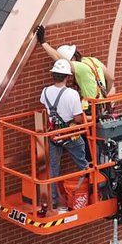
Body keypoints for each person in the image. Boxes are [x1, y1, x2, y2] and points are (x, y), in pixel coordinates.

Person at [41, 59, 91, 213]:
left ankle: (53, 201)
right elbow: (77, 119)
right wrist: (89, 118)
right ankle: (90, 192)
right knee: (84, 164)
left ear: (53, 75)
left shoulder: (45, 92)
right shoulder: (72, 94)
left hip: (54, 136)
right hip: (71, 135)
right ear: (67, 77)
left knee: (53, 170)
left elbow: (46, 110)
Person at [35, 25, 111, 114]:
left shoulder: (80, 67)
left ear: (72, 59)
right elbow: (111, 78)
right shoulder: (93, 60)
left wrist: (43, 42)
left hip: (92, 107)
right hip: (102, 104)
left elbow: (60, 59)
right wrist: (104, 96)